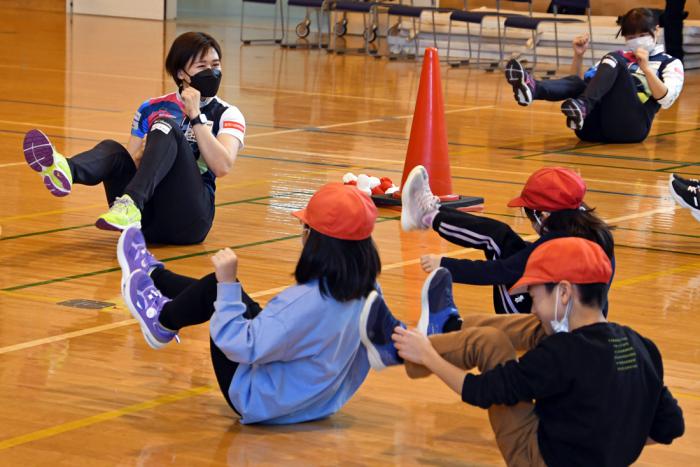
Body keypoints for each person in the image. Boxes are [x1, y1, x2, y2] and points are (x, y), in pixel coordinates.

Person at [362, 237, 685, 466]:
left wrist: (430, 357)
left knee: (490, 343)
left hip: (539, 459)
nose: (532, 307)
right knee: (536, 328)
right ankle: (448, 327)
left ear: (563, 292)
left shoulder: (563, 354)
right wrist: (611, 446)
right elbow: (670, 426)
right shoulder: (643, 346)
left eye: (533, 295)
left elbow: (480, 392)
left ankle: (402, 349)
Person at [117, 183, 386, 424]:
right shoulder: (370, 290)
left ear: (312, 237)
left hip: (258, 397)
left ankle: (161, 319)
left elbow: (241, 346)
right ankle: (154, 275)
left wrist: (225, 285)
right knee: (229, 296)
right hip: (316, 401)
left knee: (217, 287)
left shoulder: (305, 302)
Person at [22, 32, 245, 244]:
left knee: (165, 124)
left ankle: (131, 203)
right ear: (181, 73)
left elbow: (222, 166)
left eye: (215, 65)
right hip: (147, 220)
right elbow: (132, 164)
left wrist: (195, 116)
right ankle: (65, 169)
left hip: (189, 221)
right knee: (113, 149)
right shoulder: (151, 108)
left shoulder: (227, 113)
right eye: (202, 66)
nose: (211, 72)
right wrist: (147, 151)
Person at [400, 164, 614, 318]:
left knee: (496, 240)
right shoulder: (596, 233)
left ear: (544, 215)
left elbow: (501, 271)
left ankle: (427, 215)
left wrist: (446, 266)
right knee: (501, 235)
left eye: (529, 214)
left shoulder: (556, 243)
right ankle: (429, 215)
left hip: (546, 327)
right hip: (581, 319)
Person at [504, 8, 684, 144]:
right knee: (585, 80)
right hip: (592, 129)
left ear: (657, 31)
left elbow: (666, 100)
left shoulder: (669, 63)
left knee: (615, 59)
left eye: (643, 35)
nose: (636, 40)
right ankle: (533, 88)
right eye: (631, 36)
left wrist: (646, 68)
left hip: (631, 128)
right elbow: (579, 83)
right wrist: (578, 56)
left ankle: (583, 106)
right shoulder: (617, 58)